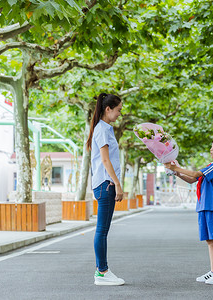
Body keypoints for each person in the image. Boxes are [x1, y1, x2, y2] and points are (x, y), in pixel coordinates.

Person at [165, 136, 213, 285]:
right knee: (210, 241)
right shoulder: (211, 165)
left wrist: (175, 167)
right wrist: (176, 173)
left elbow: (196, 174)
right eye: (211, 146)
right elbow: (191, 179)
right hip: (203, 206)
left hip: (212, 207)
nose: (211, 149)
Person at [86, 93, 124, 286]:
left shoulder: (104, 129)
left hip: (104, 184)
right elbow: (105, 160)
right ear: (108, 109)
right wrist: (117, 183)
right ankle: (102, 272)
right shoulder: (102, 130)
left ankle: (102, 271)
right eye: (118, 110)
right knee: (101, 230)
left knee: (102, 230)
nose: (120, 114)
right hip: (105, 184)